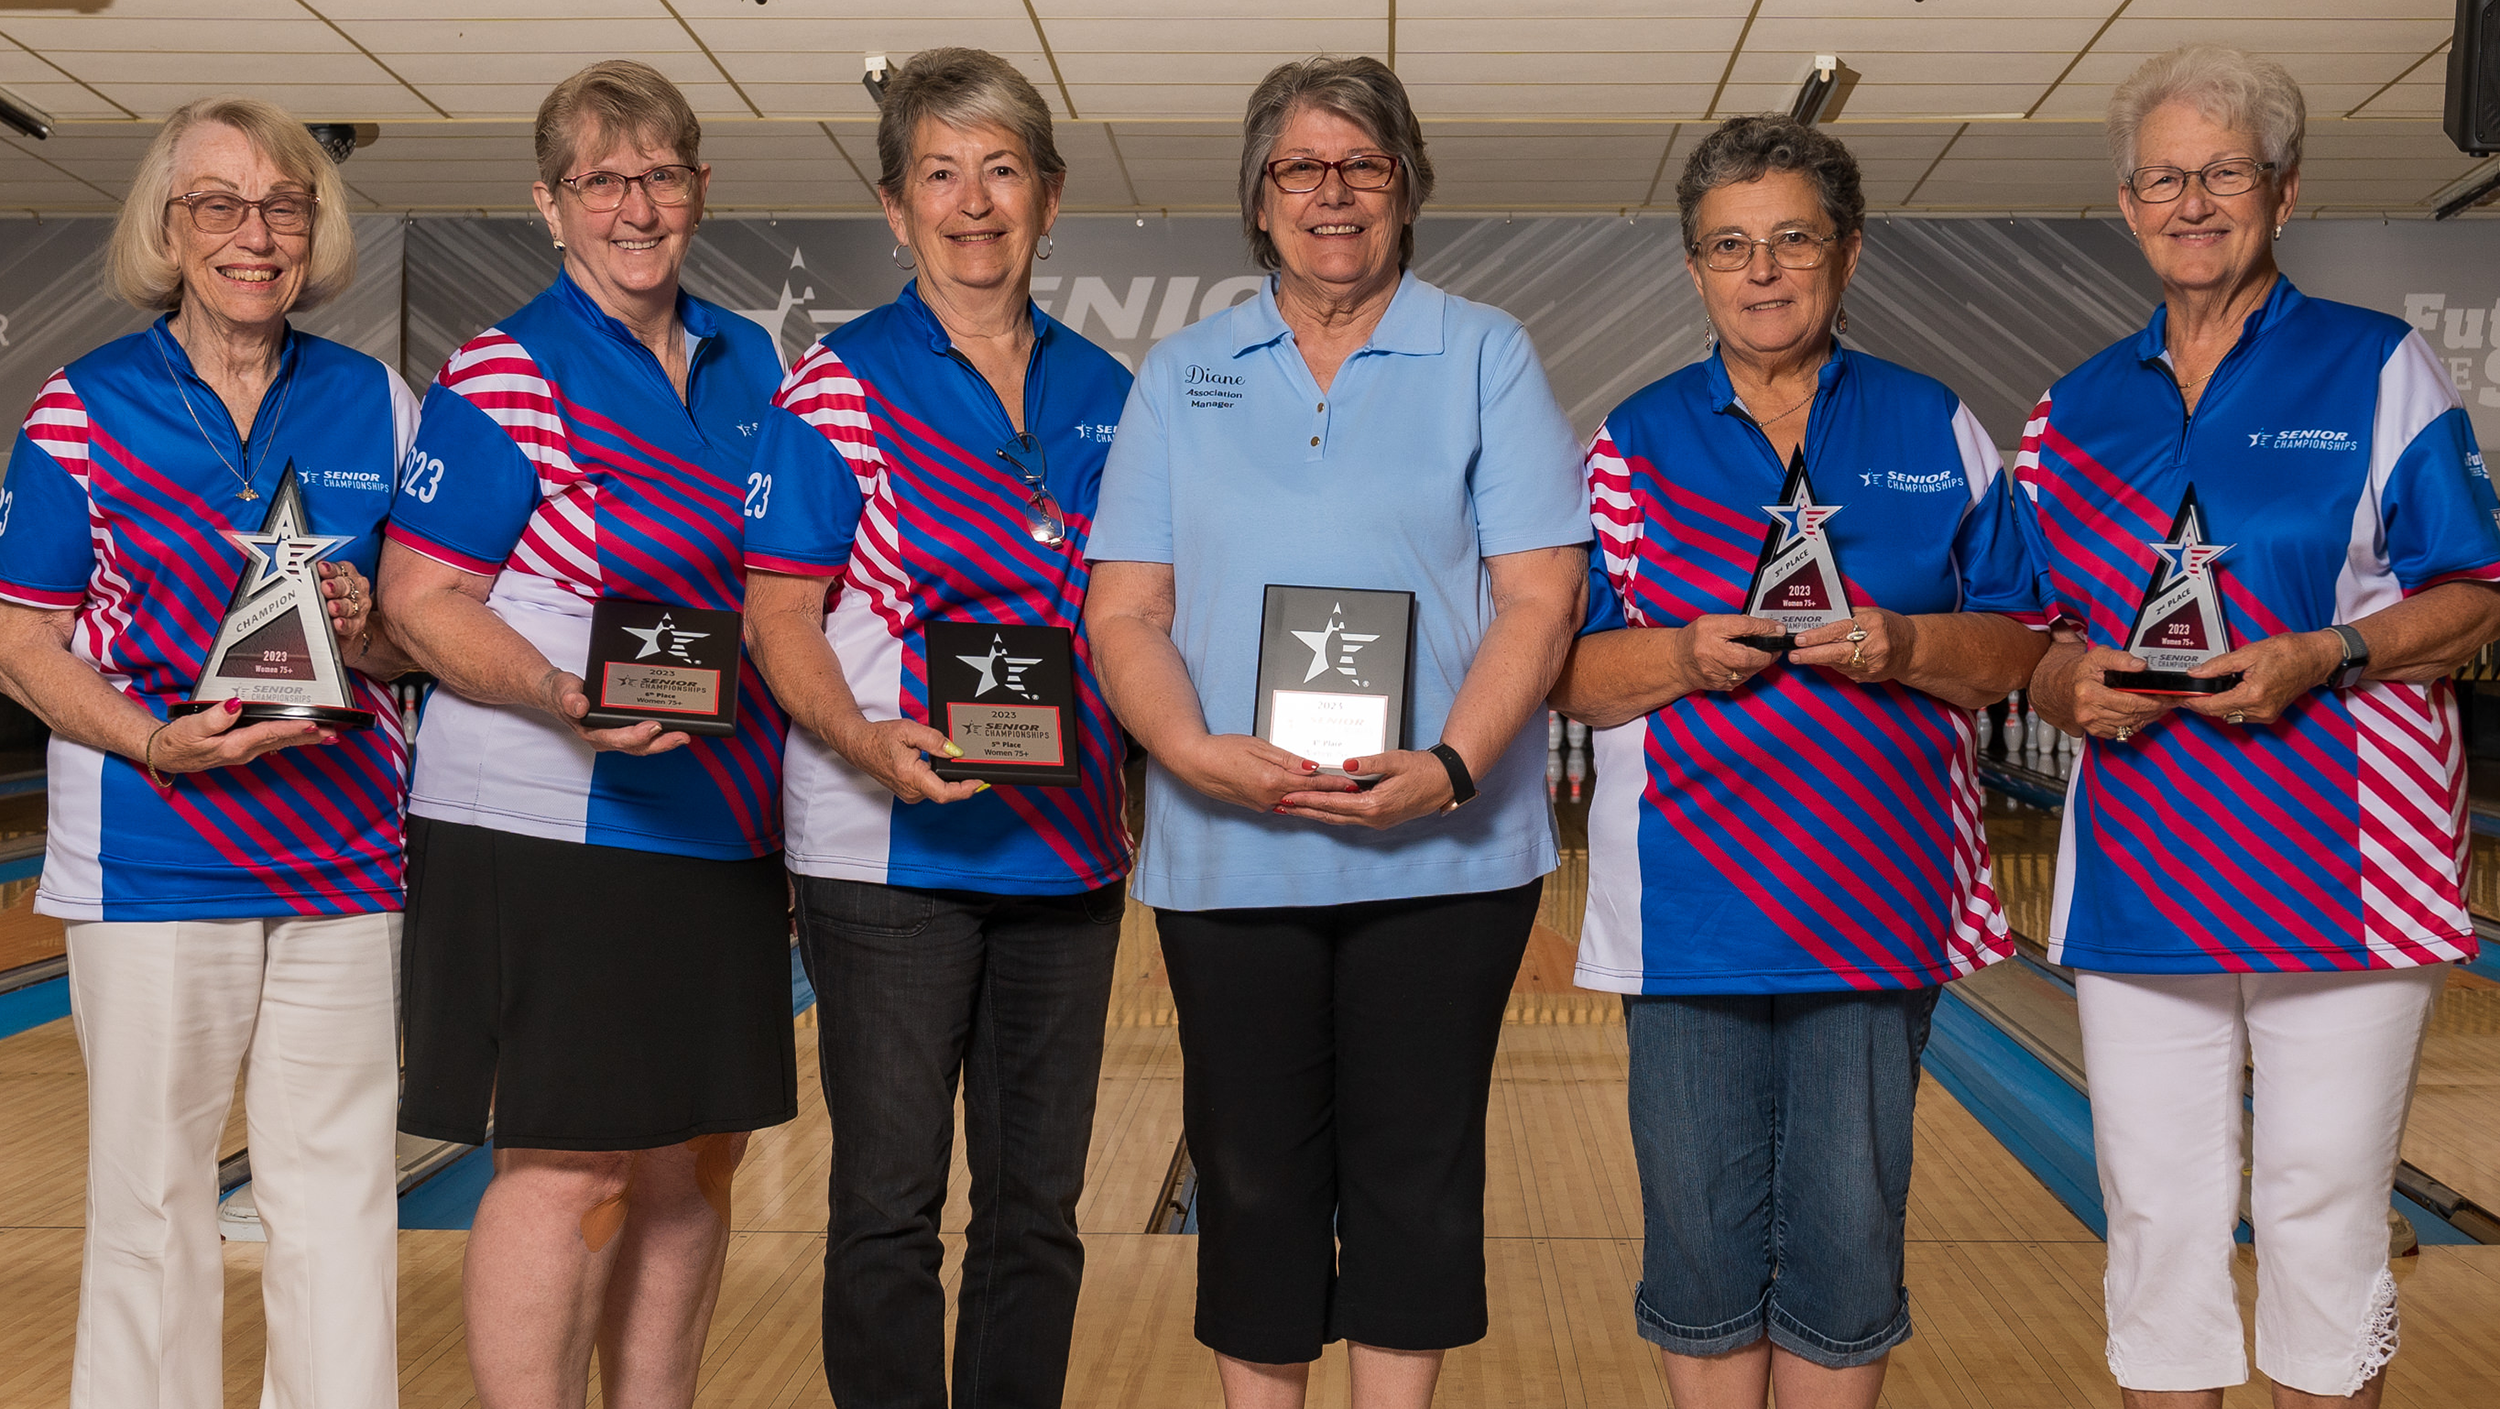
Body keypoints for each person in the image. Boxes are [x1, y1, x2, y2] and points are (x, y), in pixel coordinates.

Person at [1083, 55, 1588, 1409]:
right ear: (1258, 199)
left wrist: (1454, 767)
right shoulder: (1181, 372)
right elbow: (1125, 608)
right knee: (1249, 1170)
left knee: (1415, 1169)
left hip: (1447, 854)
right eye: (1302, 167)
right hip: (1227, 848)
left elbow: (1543, 594)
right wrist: (1190, 754)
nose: (1333, 193)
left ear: (1407, 188)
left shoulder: (1483, 350)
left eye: (1363, 165)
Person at [2013, 46, 2500, 1409]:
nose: (2193, 199)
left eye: (2223, 171)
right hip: (2143, 874)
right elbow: (2028, 633)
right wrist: (2064, 688)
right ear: (2126, 203)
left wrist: (2331, 651)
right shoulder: (2075, 409)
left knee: (2322, 1220)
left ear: (2282, 189)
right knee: (2159, 1230)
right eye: (2165, 176)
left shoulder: (2377, 366)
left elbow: (2472, 593)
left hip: (2348, 868)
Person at [1548, 113, 2048, 1409]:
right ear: (1695, 268)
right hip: (1690, 914)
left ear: (1848, 252)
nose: (1761, 272)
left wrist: (1904, 641)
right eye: (1729, 247)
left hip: (1879, 912)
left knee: (1845, 1239)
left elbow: (2013, 648)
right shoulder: (1633, 444)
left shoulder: (1936, 424)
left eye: (1790, 242)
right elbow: (1567, 676)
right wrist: (1682, 655)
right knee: (1703, 1237)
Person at [376, 60, 794, 1408]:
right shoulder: (507, 369)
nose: (636, 204)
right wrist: (568, 700)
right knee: (570, 1162)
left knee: (698, 1155)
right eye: (603, 180)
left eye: (661, 175)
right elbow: (418, 601)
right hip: (544, 824)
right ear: (550, 206)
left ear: (699, 191)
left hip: (716, 810)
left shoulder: (753, 360)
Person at [0, 96, 413, 1409]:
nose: (255, 232)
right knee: (150, 1204)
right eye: (218, 204)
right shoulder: (85, 407)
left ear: (314, 231)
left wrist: (373, 619)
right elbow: (21, 640)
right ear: (167, 232)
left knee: (339, 1199)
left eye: (283, 205)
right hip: (152, 858)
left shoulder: (376, 402)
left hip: (345, 861)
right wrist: (150, 742)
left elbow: (424, 629)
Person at [741, 47, 1134, 1409]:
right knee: (890, 1208)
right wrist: (861, 740)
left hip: (1071, 858)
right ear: (897, 209)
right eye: (941, 175)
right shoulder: (834, 388)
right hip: (884, 857)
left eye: (1003, 170)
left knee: (1038, 1212)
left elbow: (1144, 619)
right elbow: (778, 615)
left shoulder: (1111, 391)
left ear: (1050, 195)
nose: (975, 204)